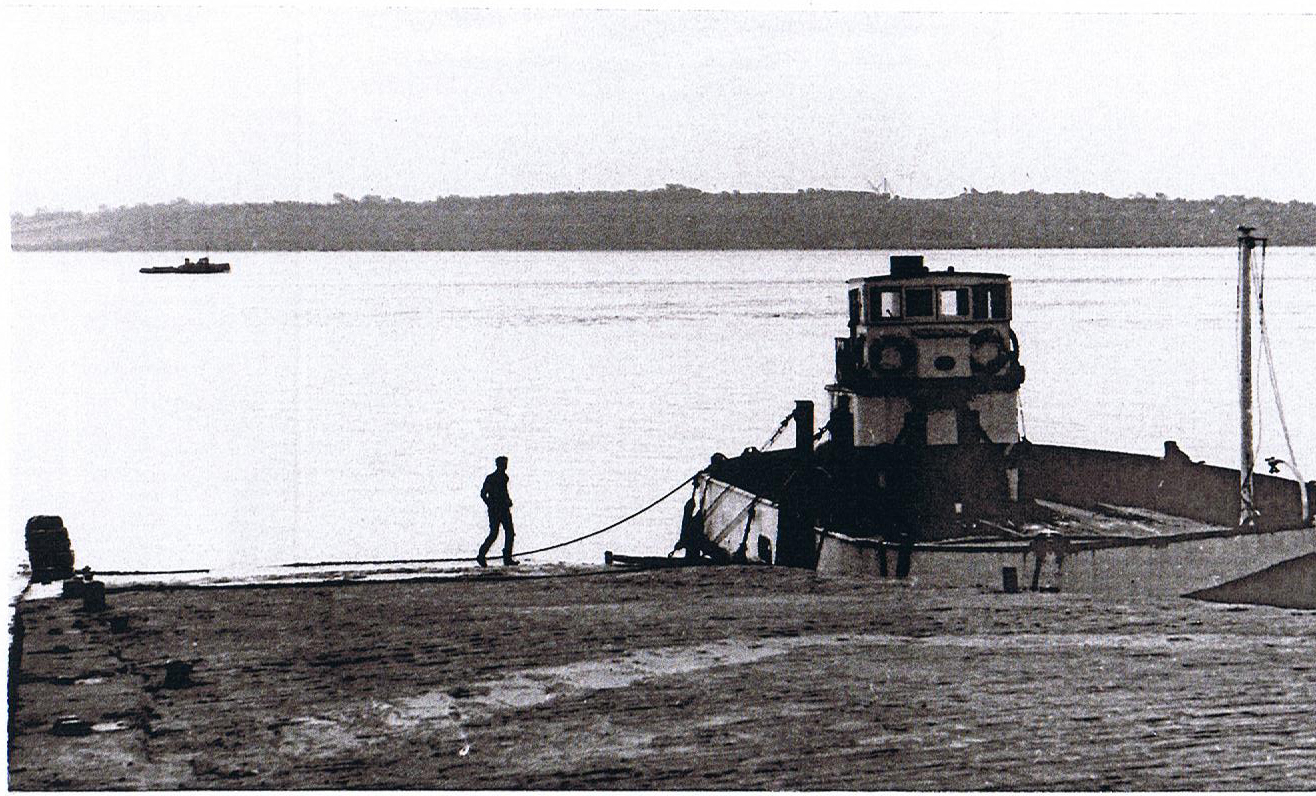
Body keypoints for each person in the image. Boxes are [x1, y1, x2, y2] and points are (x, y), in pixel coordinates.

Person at [478, 456, 517, 567]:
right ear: (498, 465)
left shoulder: (504, 478)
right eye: (503, 464)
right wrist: (491, 504)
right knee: (494, 533)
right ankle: (481, 555)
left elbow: (504, 492)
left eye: (506, 464)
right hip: (496, 510)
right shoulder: (491, 478)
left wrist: (508, 500)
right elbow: (483, 494)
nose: (505, 466)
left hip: (504, 509)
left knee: (509, 532)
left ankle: (507, 558)